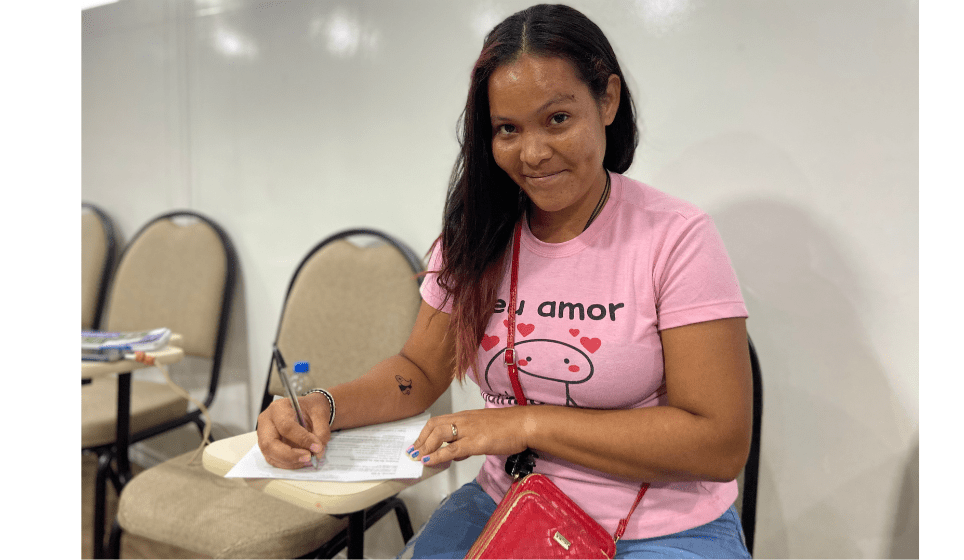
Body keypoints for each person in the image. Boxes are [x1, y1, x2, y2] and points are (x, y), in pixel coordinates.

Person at [257, 4, 753, 558]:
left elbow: (719, 443)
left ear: (607, 100)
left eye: (558, 119)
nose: (534, 153)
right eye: (508, 130)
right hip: (508, 504)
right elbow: (417, 373)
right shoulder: (476, 238)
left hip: (660, 528)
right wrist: (324, 405)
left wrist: (526, 425)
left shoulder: (677, 238)